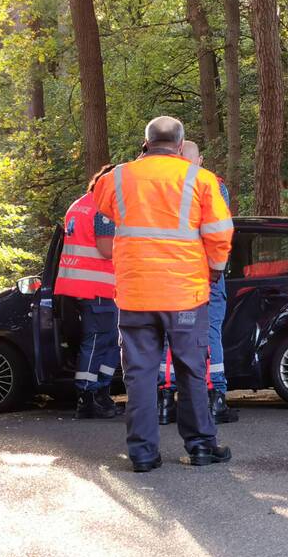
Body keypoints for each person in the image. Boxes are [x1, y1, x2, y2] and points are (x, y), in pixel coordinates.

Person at [93, 116, 234, 472]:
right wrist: (215, 268)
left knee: (138, 374)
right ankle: (201, 445)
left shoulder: (118, 178)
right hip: (184, 293)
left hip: (136, 294)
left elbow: (104, 204)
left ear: (146, 143)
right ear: (181, 143)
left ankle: (142, 453)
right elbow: (219, 232)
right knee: (190, 370)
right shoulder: (200, 180)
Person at [53, 164, 120, 420]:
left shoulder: (78, 204)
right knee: (99, 340)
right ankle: (89, 395)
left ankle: (98, 392)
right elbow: (106, 249)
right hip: (98, 287)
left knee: (106, 340)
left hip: (77, 286)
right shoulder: (102, 208)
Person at [181, 140, 238, 424]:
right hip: (207, 274)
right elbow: (219, 231)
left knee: (175, 336)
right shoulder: (212, 185)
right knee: (210, 332)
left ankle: (171, 397)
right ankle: (215, 396)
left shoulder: (167, 184)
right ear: (200, 160)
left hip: (176, 276)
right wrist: (217, 268)